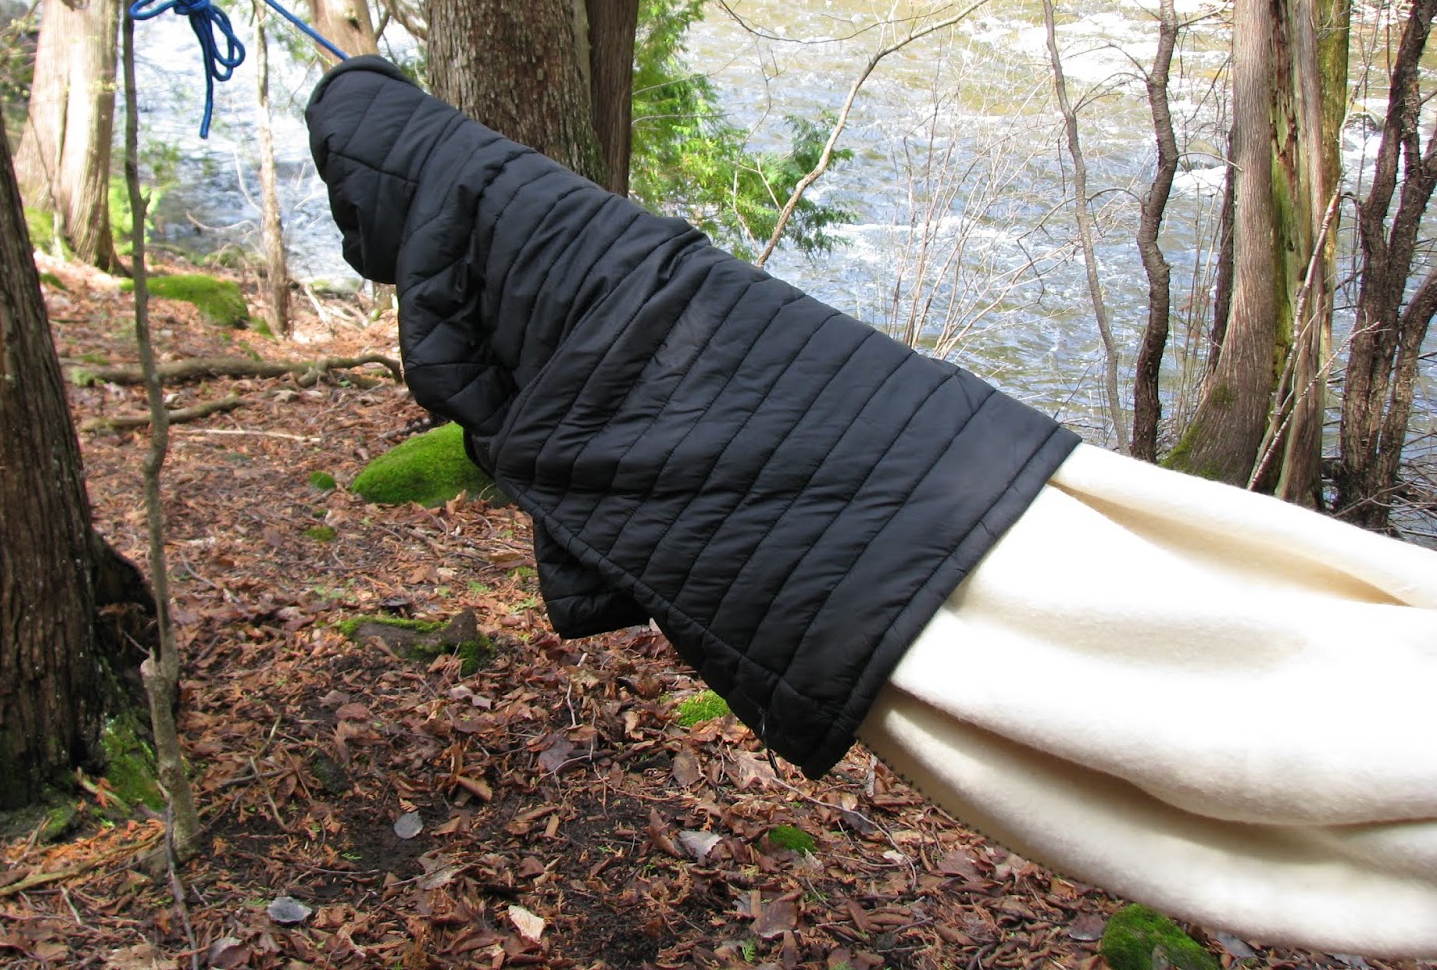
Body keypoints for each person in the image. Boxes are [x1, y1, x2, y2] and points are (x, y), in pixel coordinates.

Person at [307, 55, 1437, 958]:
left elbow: (466, 391)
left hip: (887, 493)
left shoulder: (465, 216)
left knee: (1196, 696)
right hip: (909, 436)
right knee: (1220, 649)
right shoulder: (507, 203)